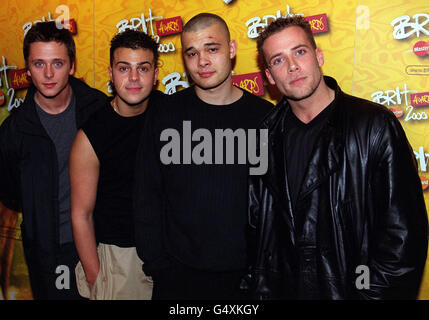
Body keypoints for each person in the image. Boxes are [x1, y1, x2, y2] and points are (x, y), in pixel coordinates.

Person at [248, 15, 429, 300]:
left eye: (300, 51)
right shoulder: (263, 137)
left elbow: (403, 237)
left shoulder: (374, 125)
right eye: (278, 60)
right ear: (269, 76)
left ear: (318, 56)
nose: (293, 66)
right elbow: (258, 231)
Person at [134, 13, 273, 300]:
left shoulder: (264, 118)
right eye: (192, 53)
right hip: (177, 279)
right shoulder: (164, 115)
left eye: (212, 49)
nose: (202, 62)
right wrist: (158, 265)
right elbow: (146, 194)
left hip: (245, 282)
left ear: (232, 50)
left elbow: (275, 204)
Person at [0, 21, 107, 299]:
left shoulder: (98, 110)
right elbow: (12, 195)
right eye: (39, 64)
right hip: (49, 253)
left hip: (105, 245)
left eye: (57, 63)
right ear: (27, 68)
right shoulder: (14, 132)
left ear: (71, 66)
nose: (48, 74)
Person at [69, 30, 162, 300]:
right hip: (120, 260)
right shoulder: (91, 135)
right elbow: (81, 215)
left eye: (143, 68)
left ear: (156, 74)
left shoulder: (171, 115)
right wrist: (96, 277)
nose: (133, 78)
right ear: (111, 73)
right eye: (124, 68)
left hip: (170, 255)